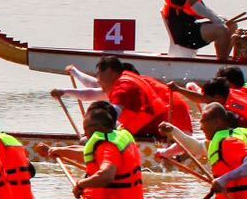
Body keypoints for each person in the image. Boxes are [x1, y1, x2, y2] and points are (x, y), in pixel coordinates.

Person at [58, 57, 193, 141]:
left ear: (110, 72)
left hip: (173, 127)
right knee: (117, 127)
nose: (97, 78)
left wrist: (95, 134)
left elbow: (112, 114)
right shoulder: (125, 80)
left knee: (110, 127)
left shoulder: (124, 86)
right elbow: (93, 90)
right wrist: (67, 85)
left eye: (98, 74)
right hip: (174, 124)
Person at [71, 102, 146, 199]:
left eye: (85, 129)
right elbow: (95, 156)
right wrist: (59, 151)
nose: (84, 134)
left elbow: (106, 176)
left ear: (96, 127)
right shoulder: (120, 135)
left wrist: (80, 184)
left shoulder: (107, 146)